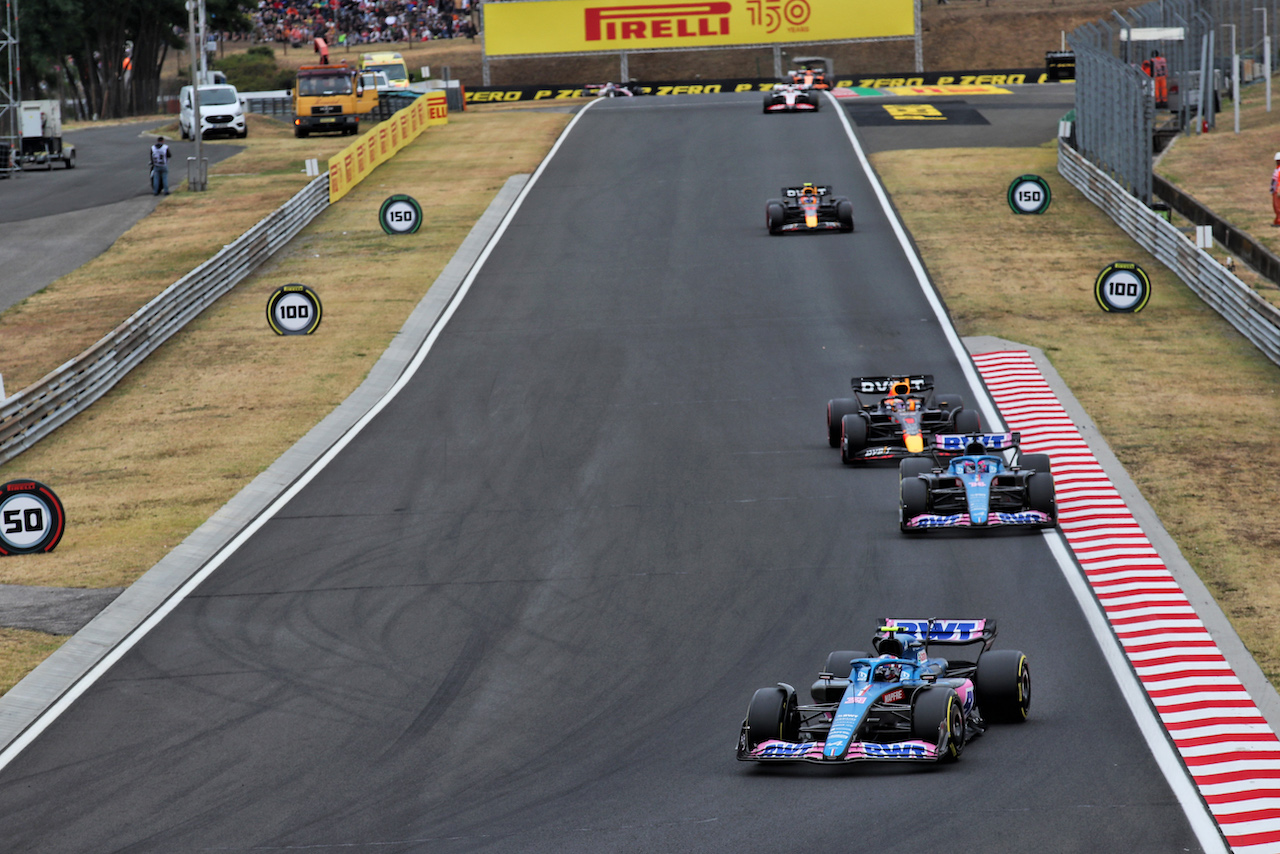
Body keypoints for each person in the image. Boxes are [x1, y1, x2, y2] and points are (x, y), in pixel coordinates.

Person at [1271, 152, 1280, 227]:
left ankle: (1279, 220)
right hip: (1276, 189)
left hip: (1278, 189)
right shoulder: (1277, 169)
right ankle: (1277, 220)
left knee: (1277, 206)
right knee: (1276, 206)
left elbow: (1277, 180)